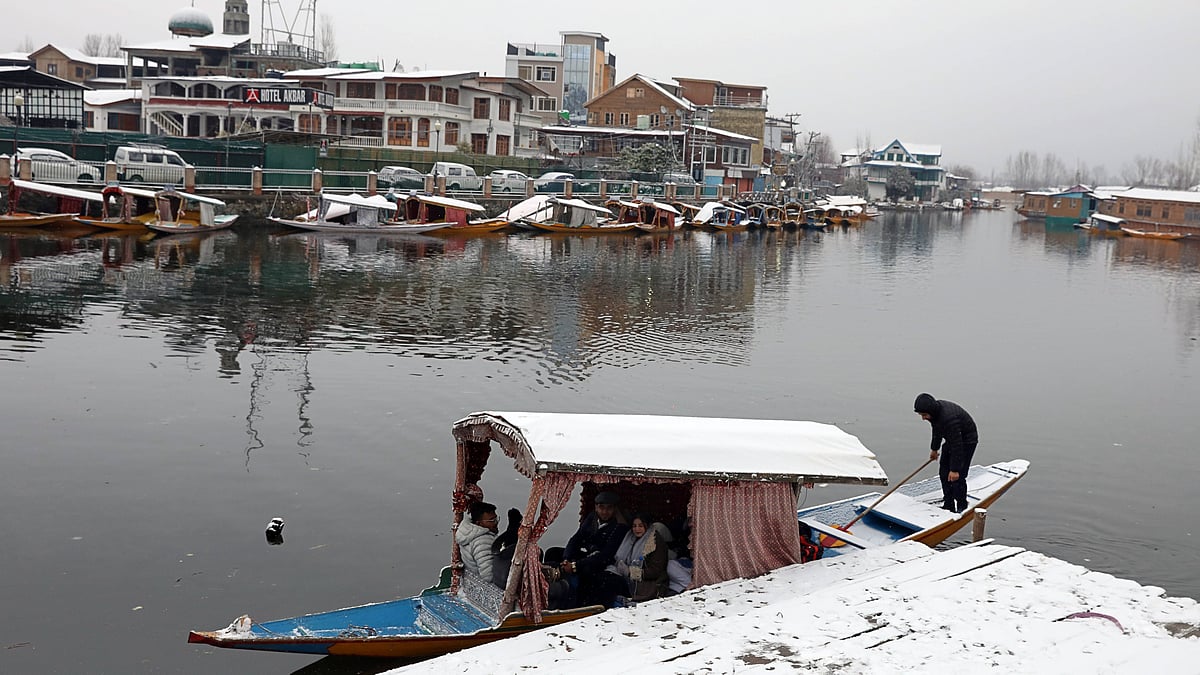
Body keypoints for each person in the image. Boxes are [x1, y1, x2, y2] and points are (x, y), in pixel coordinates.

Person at [560, 491, 630, 608]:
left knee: (587, 572)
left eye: (609, 509)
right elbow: (576, 538)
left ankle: (578, 606)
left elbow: (606, 555)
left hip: (603, 563)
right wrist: (566, 559)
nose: (604, 512)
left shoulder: (619, 527)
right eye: (601, 508)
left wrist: (575, 565)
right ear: (596, 507)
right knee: (553, 553)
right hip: (587, 555)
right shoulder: (592, 517)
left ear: (614, 510)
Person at [914, 393, 979, 513]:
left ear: (930, 411)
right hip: (952, 440)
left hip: (966, 441)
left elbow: (957, 445)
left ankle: (961, 506)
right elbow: (937, 431)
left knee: (957, 477)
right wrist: (934, 449)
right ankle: (948, 504)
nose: (923, 418)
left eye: (924, 415)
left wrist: (954, 469)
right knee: (944, 473)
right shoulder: (935, 415)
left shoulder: (948, 418)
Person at [606, 513, 672, 604]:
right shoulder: (630, 537)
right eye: (634, 526)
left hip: (649, 582)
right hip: (630, 579)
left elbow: (656, 571)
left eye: (640, 526)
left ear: (647, 526)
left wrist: (631, 572)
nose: (637, 529)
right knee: (605, 578)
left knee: (612, 584)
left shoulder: (654, 541)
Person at [455, 501, 498, 581]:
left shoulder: (467, 533)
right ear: (479, 523)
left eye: (496, 518)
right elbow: (488, 575)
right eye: (492, 520)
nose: (496, 523)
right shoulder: (483, 541)